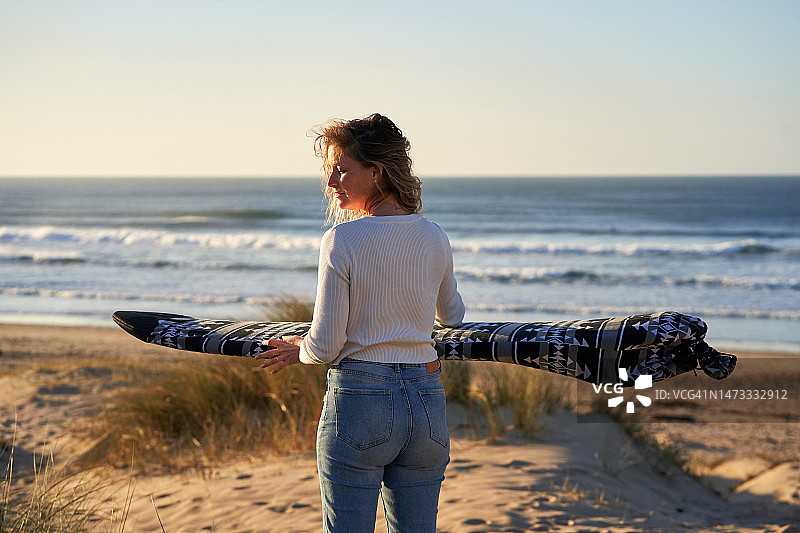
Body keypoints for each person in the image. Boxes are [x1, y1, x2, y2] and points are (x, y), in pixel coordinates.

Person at [256, 113, 465, 532]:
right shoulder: (434, 234)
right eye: (329, 171)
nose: (331, 182)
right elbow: (453, 316)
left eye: (342, 170)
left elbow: (326, 345)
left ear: (377, 172)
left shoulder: (342, 240)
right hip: (426, 403)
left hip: (361, 401)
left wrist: (301, 350)